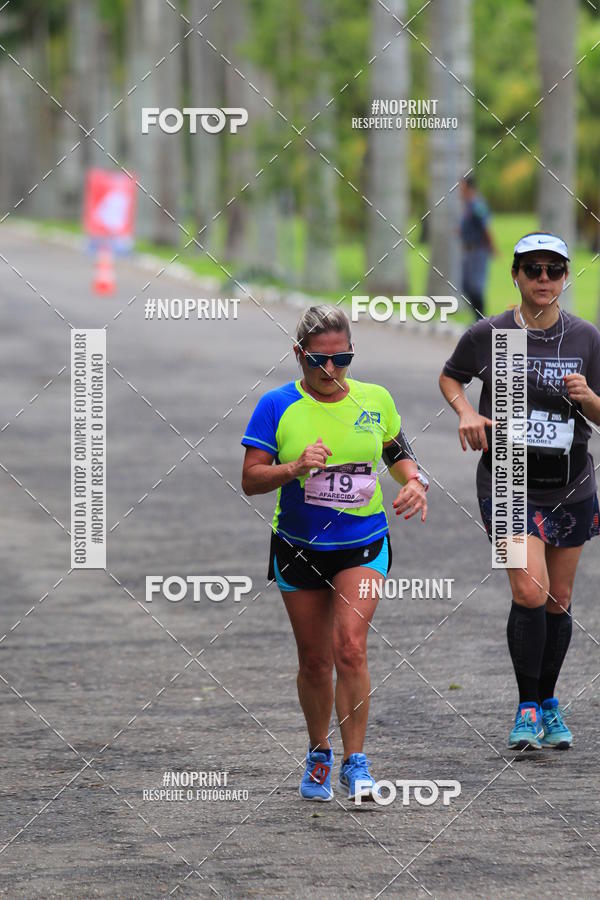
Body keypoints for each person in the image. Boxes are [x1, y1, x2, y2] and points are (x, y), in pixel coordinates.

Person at [241, 305, 429, 800]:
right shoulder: (276, 405)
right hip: (299, 547)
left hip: (362, 545)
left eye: (341, 359)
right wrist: (294, 467)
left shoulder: (375, 399)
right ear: (298, 355)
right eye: (318, 361)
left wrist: (416, 483)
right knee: (313, 661)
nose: (330, 371)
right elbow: (250, 480)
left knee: (351, 646)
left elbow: (397, 452)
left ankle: (356, 761)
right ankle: (318, 751)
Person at [439, 232, 600, 751]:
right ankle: (527, 706)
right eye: (534, 270)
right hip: (508, 476)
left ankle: (548, 702)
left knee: (559, 598)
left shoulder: (585, 338)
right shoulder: (493, 333)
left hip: (570, 481)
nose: (545, 280)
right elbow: (451, 376)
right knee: (529, 591)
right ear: (515, 275)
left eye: (555, 270)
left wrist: (588, 397)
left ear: (565, 276)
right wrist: (466, 412)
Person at [460, 175, 496, 320]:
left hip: (478, 251)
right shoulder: (468, 206)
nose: (459, 191)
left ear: (469, 188)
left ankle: (481, 320)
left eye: (461, 187)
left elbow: (486, 227)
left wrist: (492, 247)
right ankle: (478, 319)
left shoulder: (477, 205)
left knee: (475, 287)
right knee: (466, 286)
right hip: (468, 251)